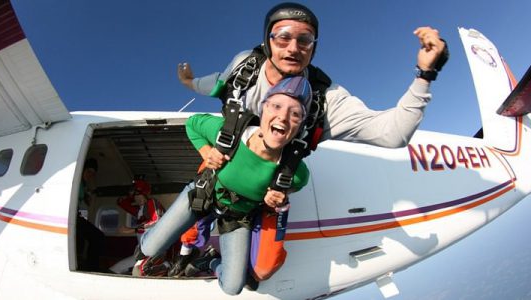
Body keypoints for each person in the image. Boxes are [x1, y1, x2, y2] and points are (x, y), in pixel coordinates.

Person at [177, 2, 448, 148]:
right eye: (283, 37)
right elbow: (215, 85)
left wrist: (425, 74)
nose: (293, 48)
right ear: (267, 41)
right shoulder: (244, 66)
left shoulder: (325, 97)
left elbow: (393, 135)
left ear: (314, 47)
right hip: (224, 162)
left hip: (271, 188)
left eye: (305, 40)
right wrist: (190, 83)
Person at [140, 76, 311, 295]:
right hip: (203, 196)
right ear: (263, 110)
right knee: (149, 248)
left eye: (295, 114)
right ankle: (149, 249)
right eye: (276, 106)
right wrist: (206, 152)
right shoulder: (229, 132)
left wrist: (280, 195)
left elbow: (296, 185)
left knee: (232, 287)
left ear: (300, 127)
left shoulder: (295, 171)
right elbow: (193, 124)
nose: (283, 117)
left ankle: (208, 261)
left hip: (237, 217)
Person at [109, 179, 165, 274]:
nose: (136, 198)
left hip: (154, 252)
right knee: (114, 270)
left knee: (137, 272)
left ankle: (165, 266)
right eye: (134, 196)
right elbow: (121, 202)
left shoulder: (151, 202)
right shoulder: (139, 211)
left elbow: (157, 221)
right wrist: (132, 195)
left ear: (145, 194)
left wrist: (133, 230)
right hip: (142, 253)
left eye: (139, 194)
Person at [76, 158, 106, 272]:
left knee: (98, 237)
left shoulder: (83, 185)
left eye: (93, 173)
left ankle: (91, 266)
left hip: (76, 217)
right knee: (96, 237)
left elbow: (88, 202)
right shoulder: (77, 182)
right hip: (72, 218)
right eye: (89, 171)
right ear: (83, 169)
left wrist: (87, 194)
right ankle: (90, 266)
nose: (90, 175)